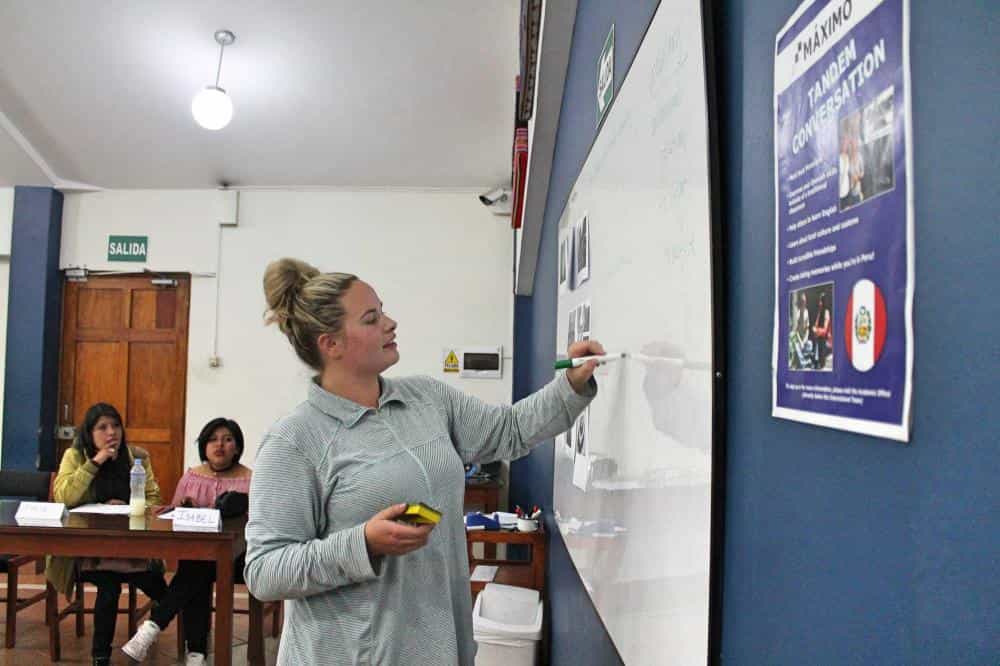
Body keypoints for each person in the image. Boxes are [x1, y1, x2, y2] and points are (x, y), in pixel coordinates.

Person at [244, 258, 601, 665]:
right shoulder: (293, 441)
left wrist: (571, 384)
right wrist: (362, 543)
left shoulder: (426, 398)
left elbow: (510, 430)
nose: (390, 323)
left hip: (439, 647)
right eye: (371, 318)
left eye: (383, 310)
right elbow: (265, 572)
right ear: (332, 344)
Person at [121, 417, 252, 665]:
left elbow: (261, 525)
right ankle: (195, 654)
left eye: (227, 439)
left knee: (196, 568)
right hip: (202, 556)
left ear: (237, 446)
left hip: (240, 558)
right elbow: (173, 515)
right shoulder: (192, 476)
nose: (219, 445)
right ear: (204, 445)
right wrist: (185, 508)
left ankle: (157, 630)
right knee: (198, 566)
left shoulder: (250, 479)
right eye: (213, 439)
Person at [46, 403, 167, 666]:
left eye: (115, 426)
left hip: (133, 548)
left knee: (163, 589)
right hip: (89, 550)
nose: (111, 432)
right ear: (89, 433)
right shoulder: (75, 456)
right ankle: (100, 657)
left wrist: (128, 508)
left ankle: (169, 638)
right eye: (102, 427)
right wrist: (96, 461)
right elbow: (64, 497)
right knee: (109, 586)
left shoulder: (137, 457)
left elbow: (154, 499)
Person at [812, 292, 832, 369]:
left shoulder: (826, 313)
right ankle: (817, 362)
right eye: (819, 301)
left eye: (821, 301)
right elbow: (815, 325)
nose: (819, 303)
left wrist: (816, 331)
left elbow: (825, 330)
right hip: (819, 338)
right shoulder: (819, 312)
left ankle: (821, 363)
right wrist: (814, 329)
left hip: (824, 339)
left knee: (822, 360)